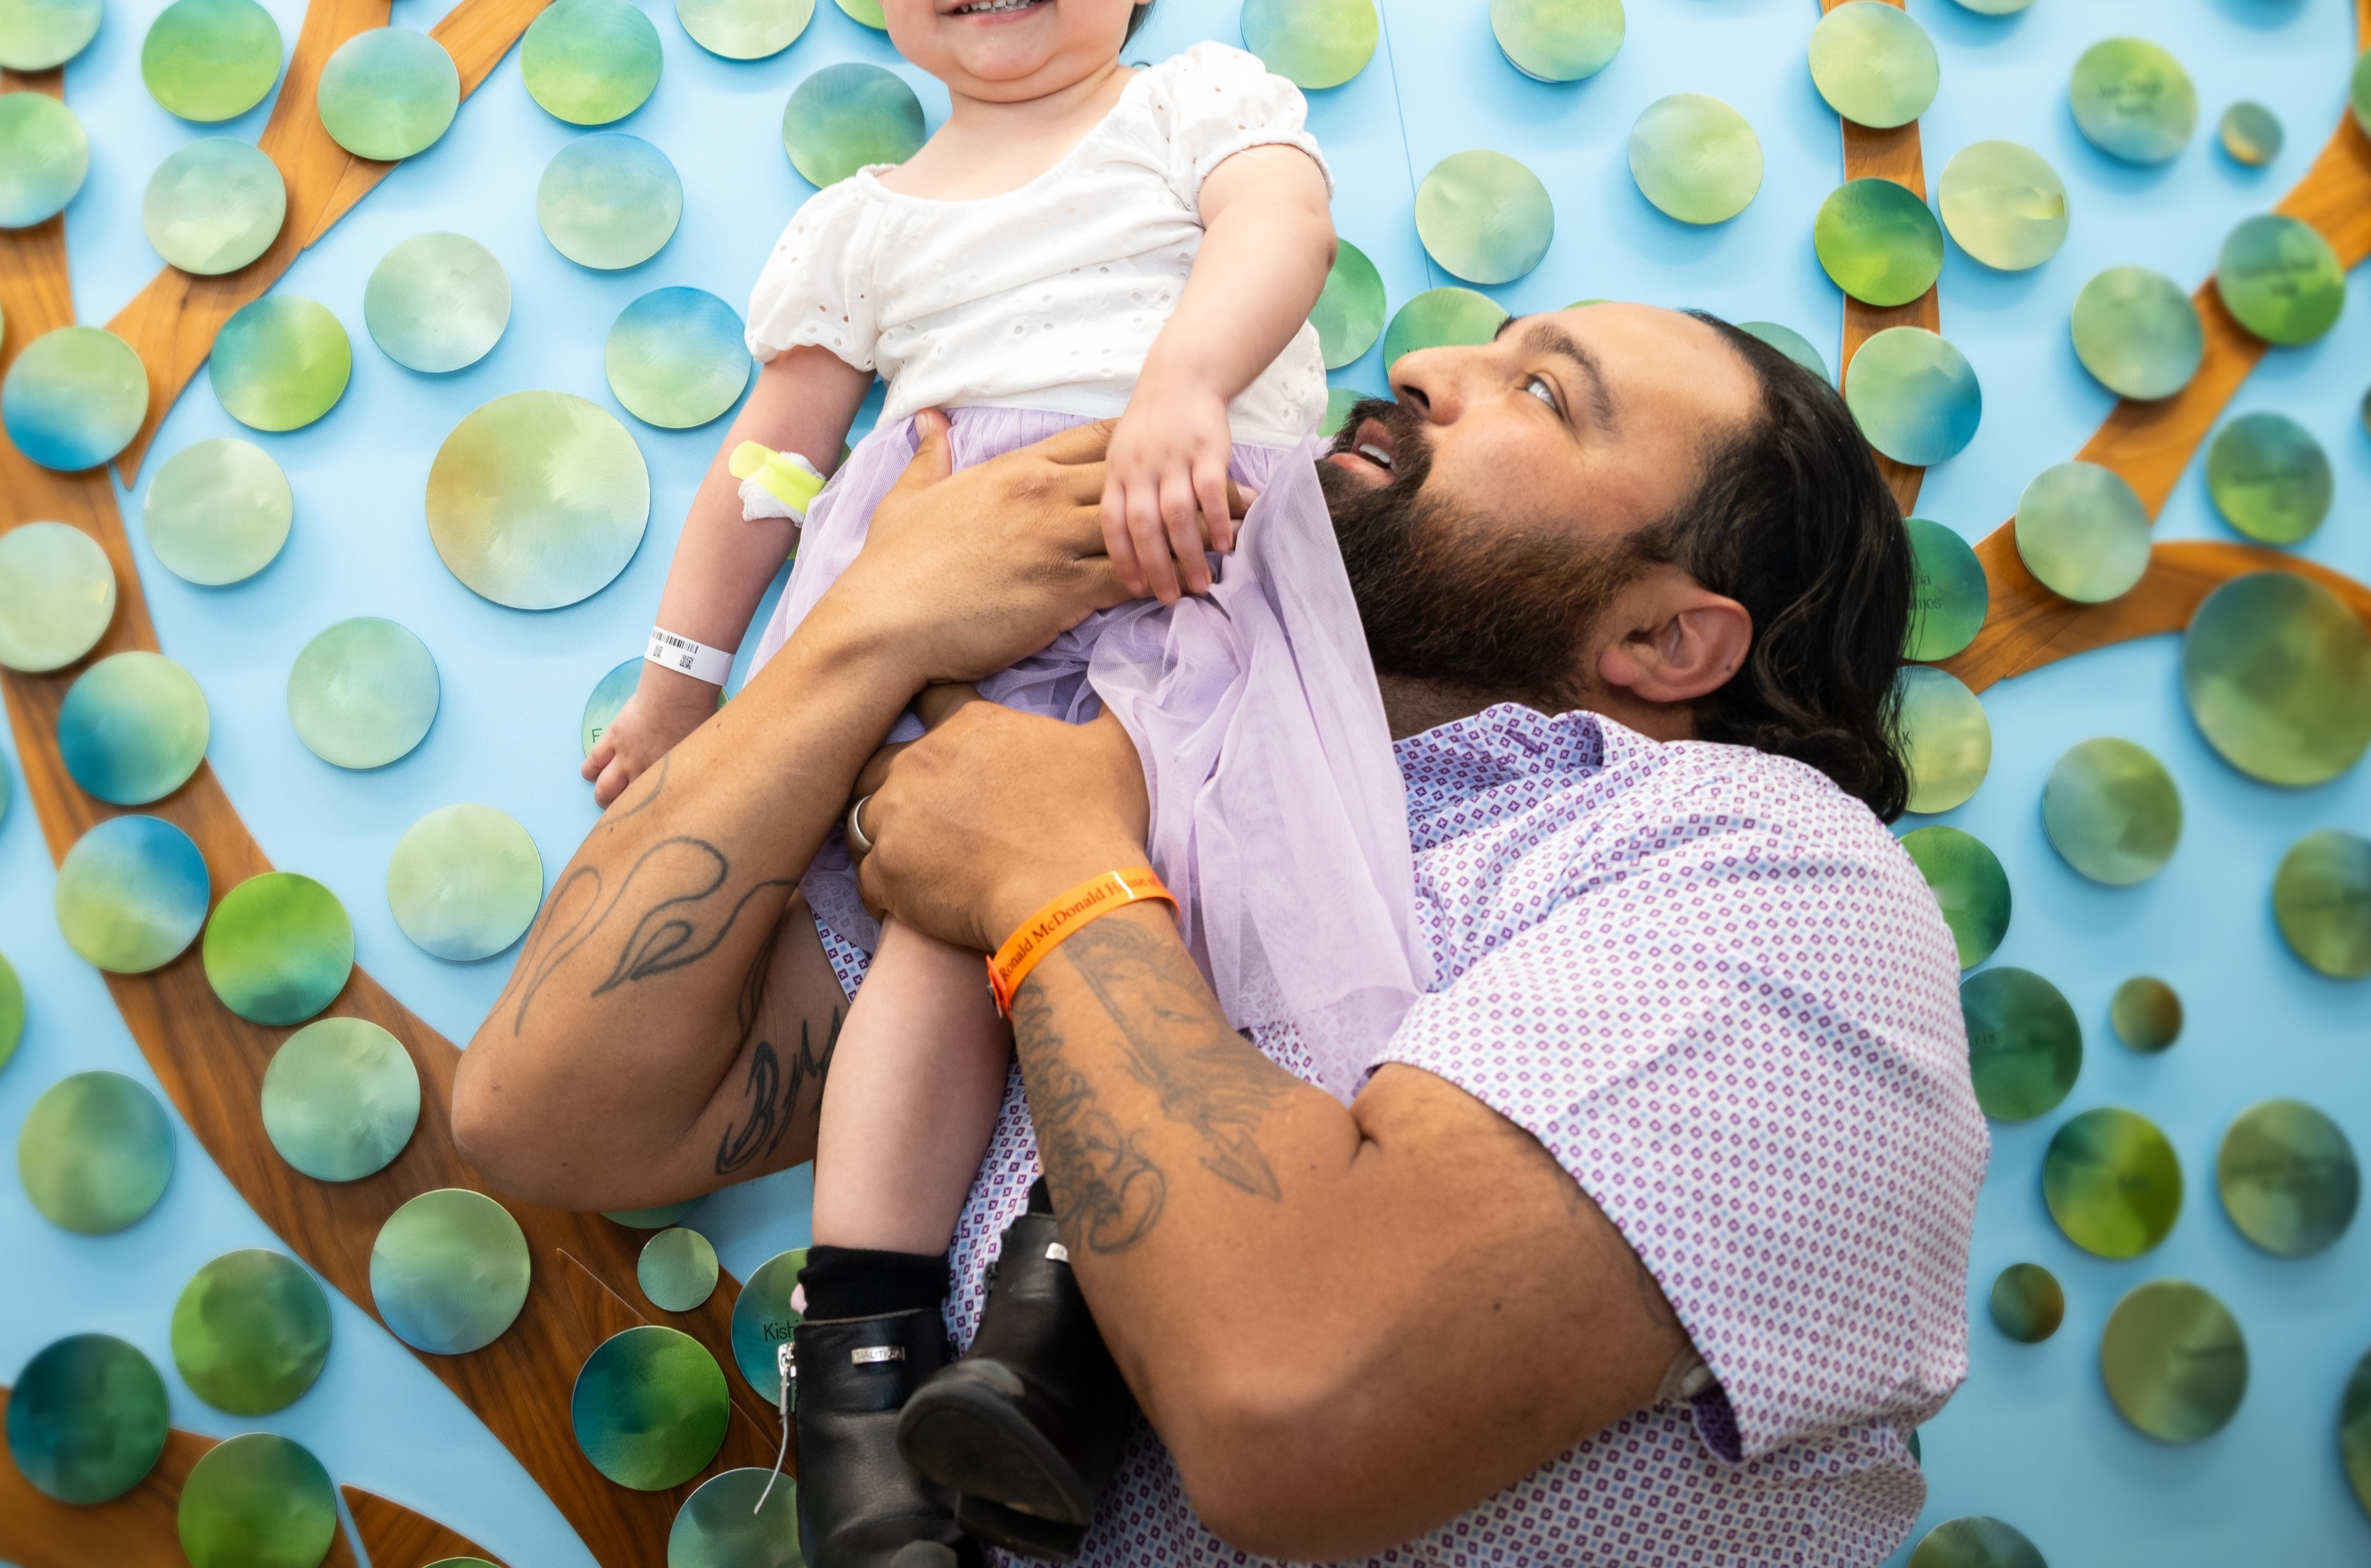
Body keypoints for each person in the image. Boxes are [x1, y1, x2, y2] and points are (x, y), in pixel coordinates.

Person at [460, 303, 1989, 1567]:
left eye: (1541, 390)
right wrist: (877, 624)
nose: (1423, 365)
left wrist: (1057, 879)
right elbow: (550, 1113)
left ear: (1665, 637)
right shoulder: (1140, 751)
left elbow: (1302, 1407)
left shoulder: (1775, 879)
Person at [579, 0, 1430, 1564]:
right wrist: (678, 675)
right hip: (965, 590)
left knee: (1204, 898)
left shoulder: (1194, 104)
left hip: (1190, 555)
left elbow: (1281, 226)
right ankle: (864, 1355)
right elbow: (772, 459)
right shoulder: (863, 222)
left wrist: (1183, 383)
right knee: (937, 929)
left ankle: (1065, 1315)